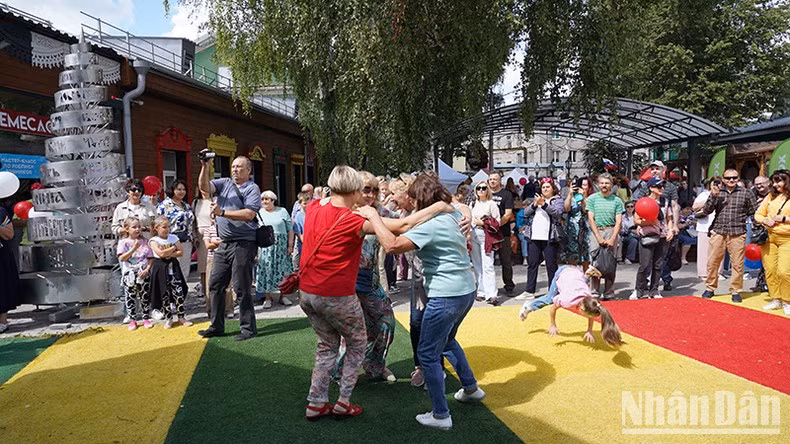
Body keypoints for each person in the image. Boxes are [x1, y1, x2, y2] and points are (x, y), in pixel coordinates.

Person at [300, 166, 455, 421]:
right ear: (354, 191)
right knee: (358, 343)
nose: (369, 194)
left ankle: (316, 403)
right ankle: (343, 401)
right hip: (336, 293)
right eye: (365, 189)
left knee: (326, 345)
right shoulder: (355, 221)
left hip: (307, 293)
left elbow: (327, 198)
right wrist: (441, 207)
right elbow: (404, 225)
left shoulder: (315, 206)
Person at [358, 172, 484, 430]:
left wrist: (371, 216)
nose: (410, 203)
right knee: (447, 340)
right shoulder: (451, 215)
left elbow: (392, 245)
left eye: (413, 199)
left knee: (427, 353)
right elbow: (454, 206)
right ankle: (471, 388)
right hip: (466, 290)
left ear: (420, 199)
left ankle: (441, 415)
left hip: (446, 295)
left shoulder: (432, 223)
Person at [332, 171, 397, 382]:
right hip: (346, 281)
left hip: (370, 280)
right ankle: (340, 372)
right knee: (351, 331)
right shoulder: (345, 211)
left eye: (375, 189)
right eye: (366, 189)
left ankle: (375, 365)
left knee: (386, 323)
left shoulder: (382, 211)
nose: (370, 194)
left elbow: (405, 222)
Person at [197, 155, 261, 341]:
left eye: (239, 167)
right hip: (224, 243)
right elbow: (204, 187)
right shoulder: (224, 183)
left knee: (241, 287)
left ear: (248, 170)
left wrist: (222, 212)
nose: (235, 170)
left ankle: (248, 329)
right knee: (215, 284)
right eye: (233, 167)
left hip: (244, 243)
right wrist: (204, 165)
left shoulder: (251, 188)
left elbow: (249, 214)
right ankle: (217, 326)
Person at [518, 265, 622, 348]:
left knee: (578, 283)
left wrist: (589, 330)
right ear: (581, 309)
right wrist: (553, 325)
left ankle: (588, 274)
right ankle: (529, 306)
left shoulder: (591, 300)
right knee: (549, 299)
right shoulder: (567, 300)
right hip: (563, 273)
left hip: (575, 274)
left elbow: (591, 315)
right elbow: (553, 308)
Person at [699, 169, 757, 302]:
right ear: (723, 179)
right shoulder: (717, 192)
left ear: (738, 178)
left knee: (737, 263)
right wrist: (713, 196)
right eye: (728, 178)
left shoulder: (746, 193)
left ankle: (736, 290)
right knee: (713, 262)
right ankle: (710, 288)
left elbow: (753, 212)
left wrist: (757, 229)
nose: (731, 180)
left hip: (738, 232)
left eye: (734, 178)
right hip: (719, 230)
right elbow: (707, 211)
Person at [634, 161, 680, 291]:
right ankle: (640, 288)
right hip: (648, 232)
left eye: (657, 168)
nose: (654, 171)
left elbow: (674, 207)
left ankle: (661, 285)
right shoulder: (644, 187)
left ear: (663, 170)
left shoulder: (670, 187)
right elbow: (640, 209)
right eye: (652, 169)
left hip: (663, 232)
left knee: (660, 262)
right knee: (645, 264)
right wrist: (642, 224)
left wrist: (673, 227)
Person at [516, 178, 565, 300]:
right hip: (534, 236)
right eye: (543, 187)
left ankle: (553, 290)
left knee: (551, 265)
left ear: (553, 189)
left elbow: (558, 213)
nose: (545, 189)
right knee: (532, 264)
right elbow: (525, 213)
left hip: (550, 237)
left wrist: (544, 204)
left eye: (548, 187)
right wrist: (534, 204)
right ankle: (529, 290)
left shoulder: (557, 200)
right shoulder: (536, 200)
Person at [754, 170, 790, 314]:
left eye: (778, 181)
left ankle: (787, 300)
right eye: (773, 181)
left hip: (787, 238)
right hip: (769, 238)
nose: (775, 184)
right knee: (770, 270)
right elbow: (758, 214)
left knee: (784, 272)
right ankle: (776, 299)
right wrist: (765, 220)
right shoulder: (770, 196)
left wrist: (784, 219)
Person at [632, 178, 674, 299]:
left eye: (663, 186)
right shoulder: (643, 202)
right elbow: (636, 220)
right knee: (644, 265)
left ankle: (654, 290)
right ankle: (638, 290)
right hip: (647, 234)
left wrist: (670, 230)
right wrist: (651, 221)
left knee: (658, 264)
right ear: (651, 188)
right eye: (658, 186)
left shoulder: (665, 201)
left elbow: (669, 218)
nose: (662, 188)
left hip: (662, 236)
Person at [148, 216, 191, 329]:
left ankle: (181, 317)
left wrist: (167, 252)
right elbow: (160, 254)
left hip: (173, 267)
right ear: (156, 228)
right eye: (164, 227)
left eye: (168, 227)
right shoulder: (154, 240)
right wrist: (172, 249)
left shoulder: (173, 237)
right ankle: (169, 318)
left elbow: (180, 252)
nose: (167, 229)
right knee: (164, 293)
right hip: (160, 268)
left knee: (178, 291)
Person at [585, 173, 624, 299]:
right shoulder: (592, 199)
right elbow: (591, 218)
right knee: (595, 262)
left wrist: (613, 238)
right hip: (597, 231)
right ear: (597, 184)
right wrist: (598, 237)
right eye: (602, 183)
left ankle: (609, 292)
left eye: (607, 183)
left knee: (610, 263)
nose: (604, 185)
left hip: (611, 230)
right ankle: (594, 292)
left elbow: (619, 221)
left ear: (611, 185)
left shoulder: (617, 201)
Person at [255, 190, 295, 309]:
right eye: (262, 199)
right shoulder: (258, 213)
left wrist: (290, 245)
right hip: (265, 246)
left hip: (281, 246)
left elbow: (290, 229)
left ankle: (284, 296)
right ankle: (267, 298)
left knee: (283, 271)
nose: (264, 201)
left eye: (267, 199)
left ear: (273, 200)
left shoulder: (282, 211)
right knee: (266, 270)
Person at [117, 217, 154, 330]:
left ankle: (146, 317)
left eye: (139, 227)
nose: (137, 229)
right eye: (134, 227)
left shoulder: (145, 242)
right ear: (127, 229)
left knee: (144, 296)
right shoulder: (123, 242)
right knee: (130, 296)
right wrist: (133, 248)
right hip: (129, 274)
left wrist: (147, 269)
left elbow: (150, 258)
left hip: (143, 273)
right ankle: (132, 319)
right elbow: (122, 258)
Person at [157, 179, 195, 284]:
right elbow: (158, 224)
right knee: (171, 270)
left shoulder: (186, 206)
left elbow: (191, 223)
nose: (182, 192)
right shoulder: (164, 206)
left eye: (184, 189)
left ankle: (182, 296)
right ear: (172, 190)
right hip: (170, 242)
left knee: (184, 270)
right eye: (179, 189)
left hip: (186, 242)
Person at [470, 181, 501, 305]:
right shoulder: (473, 203)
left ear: (487, 190)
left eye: (483, 188)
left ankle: (492, 293)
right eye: (479, 188)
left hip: (486, 235)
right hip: (473, 234)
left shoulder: (492, 204)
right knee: (477, 264)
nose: (481, 190)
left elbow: (497, 221)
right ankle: (481, 291)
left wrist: (484, 223)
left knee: (488, 264)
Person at [488, 172, 515, 297]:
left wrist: (497, 225)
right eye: (490, 179)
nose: (492, 181)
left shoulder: (506, 194)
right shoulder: (484, 193)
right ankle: (488, 287)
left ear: (499, 181)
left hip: (503, 232)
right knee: (487, 262)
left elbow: (508, 214)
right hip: (487, 234)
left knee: (506, 261)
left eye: (495, 179)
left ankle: (509, 285)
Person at [203, 213, 234, 319]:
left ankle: (229, 308)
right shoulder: (209, 230)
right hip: (212, 258)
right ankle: (210, 310)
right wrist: (215, 242)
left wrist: (214, 242)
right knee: (209, 284)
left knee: (228, 285)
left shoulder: (227, 229)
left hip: (226, 257)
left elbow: (229, 242)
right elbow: (208, 245)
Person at [692, 177, 719, 278]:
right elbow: (694, 207)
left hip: (719, 226)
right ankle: (703, 273)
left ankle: (718, 272)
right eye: (714, 183)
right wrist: (710, 199)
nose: (716, 186)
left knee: (718, 251)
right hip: (704, 226)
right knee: (704, 251)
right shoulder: (703, 194)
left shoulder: (723, 194)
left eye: (718, 183)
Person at [561, 176, 591, 266]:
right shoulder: (573, 197)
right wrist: (570, 194)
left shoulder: (591, 198)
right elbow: (566, 209)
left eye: (585, 185)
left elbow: (586, 210)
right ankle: (574, 277)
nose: (583, 187)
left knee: (586, 256)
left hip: (586, 228)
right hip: (572, 228)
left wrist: (584, 197)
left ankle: (586, 278)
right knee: (572, 254)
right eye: (581, 185)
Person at [0, 199, 20, 334]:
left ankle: (2, 322)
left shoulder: (1, 212)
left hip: (1, 256)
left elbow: (9, 234)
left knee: (2, 287)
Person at [752, 175, 771, 292]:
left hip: (774, 229)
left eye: (761, 183)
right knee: (763, 258)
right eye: (757, 184)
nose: (759, 186)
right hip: (759, 229)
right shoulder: (752, 194)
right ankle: (762, 283)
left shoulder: (774, 195)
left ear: (768, 182)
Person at [193, 185, 213, 299]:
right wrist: (195, 236)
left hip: (213, 235)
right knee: (203, 267)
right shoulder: (196, 202)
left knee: (214, 265)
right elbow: (193, 221)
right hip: (200, 237)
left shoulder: (214, 200)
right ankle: (206, 294)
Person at [292, 192, 311, 270]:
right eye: (305, 204)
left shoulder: (313, 214)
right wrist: (306, 243)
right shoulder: (298, 216)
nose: (307, 206)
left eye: (308, 203)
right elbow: (298, 233)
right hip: (304, 244)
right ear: (300, 204)